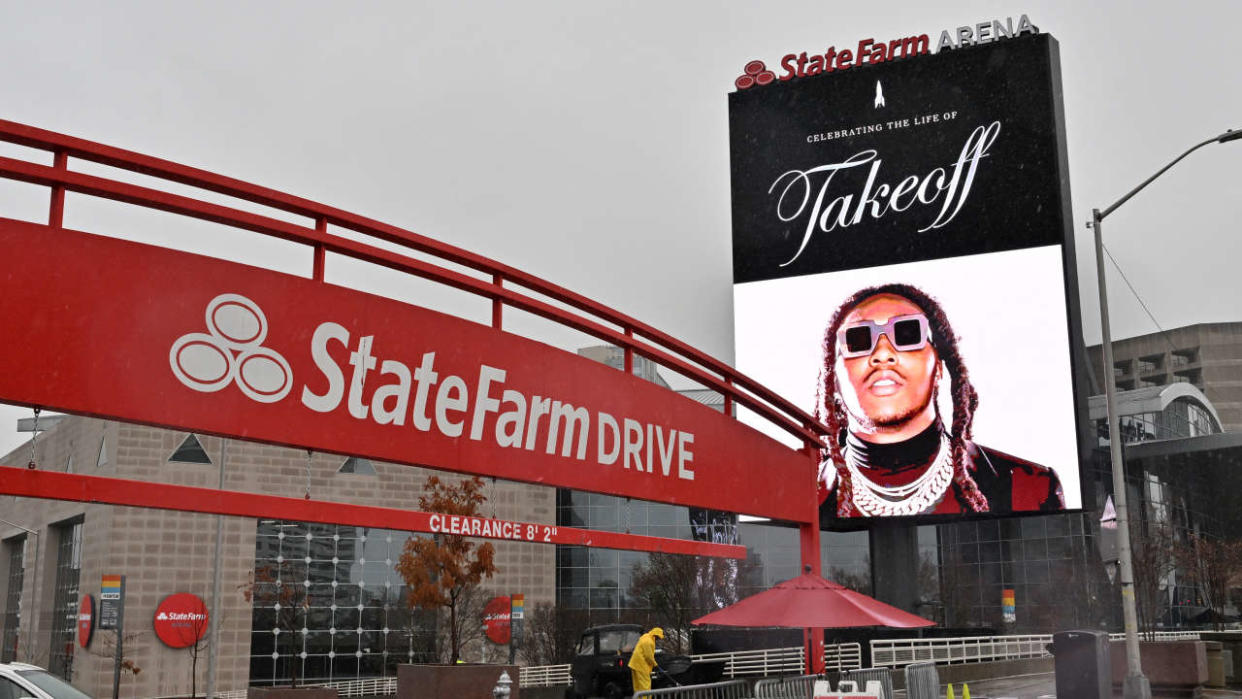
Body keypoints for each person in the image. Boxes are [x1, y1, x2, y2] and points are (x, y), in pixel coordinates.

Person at [816, 283, 1064, 520]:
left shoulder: (1030, 488)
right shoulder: (805, 497)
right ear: (832, 379)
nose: (883, 354)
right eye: (858, 340)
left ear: (940, 366)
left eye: (906, 333)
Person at [627, 627, 663, 695]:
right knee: (645, 686)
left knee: (637, 687)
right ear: (656, 635)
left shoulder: (645, 636)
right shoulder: (649, 642)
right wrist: (656, 665)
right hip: (641, 666)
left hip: (634, 664)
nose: (658, 639)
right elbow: (649, 657)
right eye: (658, 637)